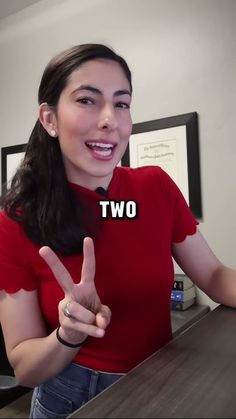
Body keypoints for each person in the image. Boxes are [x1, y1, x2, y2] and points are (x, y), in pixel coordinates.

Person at [0, 43, 235, 418]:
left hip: (162, 380)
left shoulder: (154, 186)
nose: (110, 119)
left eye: (121, 103)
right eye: (87, 100)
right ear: (49, 119)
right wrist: (69, 335)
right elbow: (25, 367)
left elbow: (213, 274)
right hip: (72, 397)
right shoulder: (17, 219)